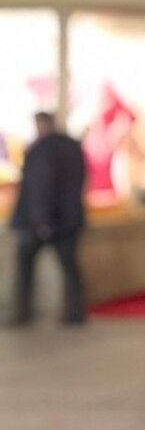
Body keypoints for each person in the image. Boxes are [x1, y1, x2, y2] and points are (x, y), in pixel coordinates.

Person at [9, 112, 87, 327]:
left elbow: (41, 186)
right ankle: (75, 312)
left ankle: (22, 311)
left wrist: (42, 221)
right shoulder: (72, 147)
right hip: (69, 220)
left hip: (43, 222)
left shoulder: (42, 150)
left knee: (26, 266)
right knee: (70, 268)